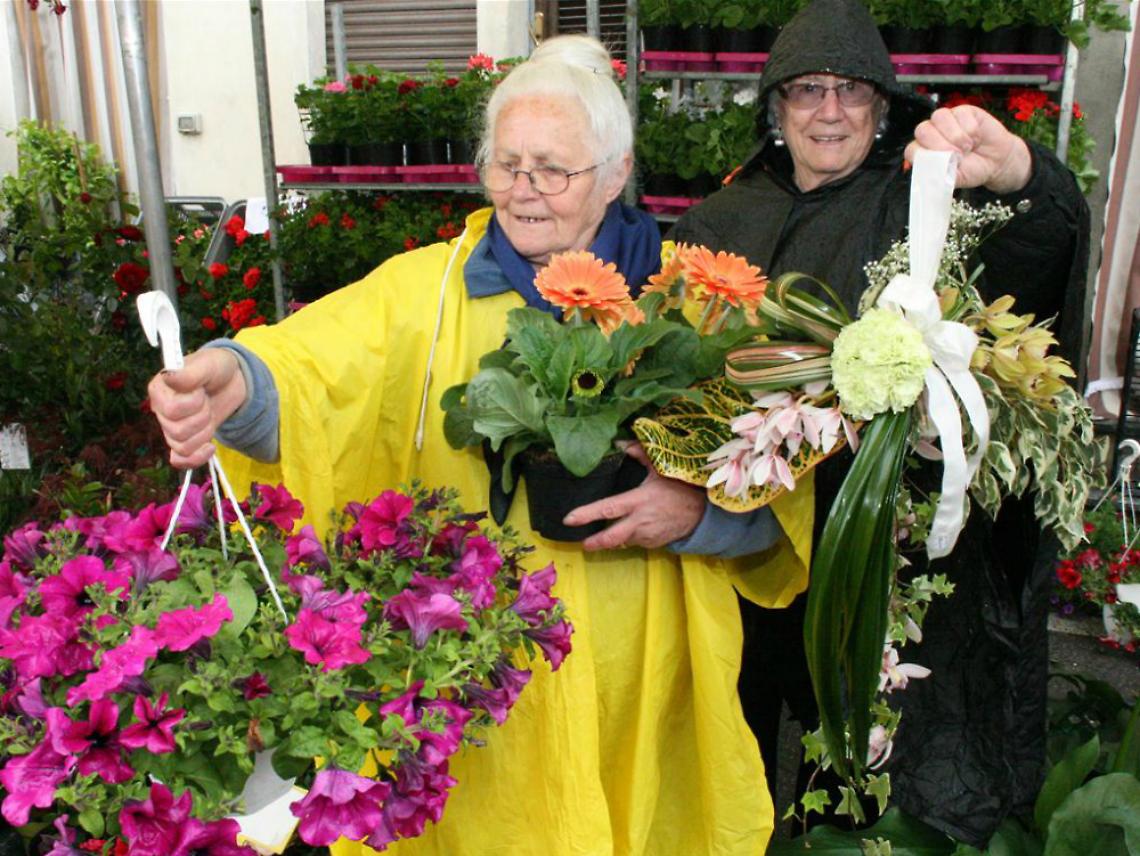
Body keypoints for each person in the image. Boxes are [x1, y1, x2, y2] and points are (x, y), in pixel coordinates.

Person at [148, 35, 813, 856]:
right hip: (467, 685)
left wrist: (696, 512)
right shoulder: (422, 294)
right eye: (505, 165)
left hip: (642, 693)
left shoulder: (693, 303)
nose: (523, 191)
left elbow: (786, 485)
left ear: (615, 172)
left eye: (553, 169)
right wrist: (233, 380)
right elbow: (315, 370)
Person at [670, 0, 1090, 846]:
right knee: (729, 731)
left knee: (860, 751)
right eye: (808, 91)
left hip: (867, 543)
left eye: (852, 92)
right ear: (777, 109)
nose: (830, 111)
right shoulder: (720, 221)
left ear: (882, 107)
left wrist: (1022, 177)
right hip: (741, 539)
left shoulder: (922, 203)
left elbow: (1033, 257)